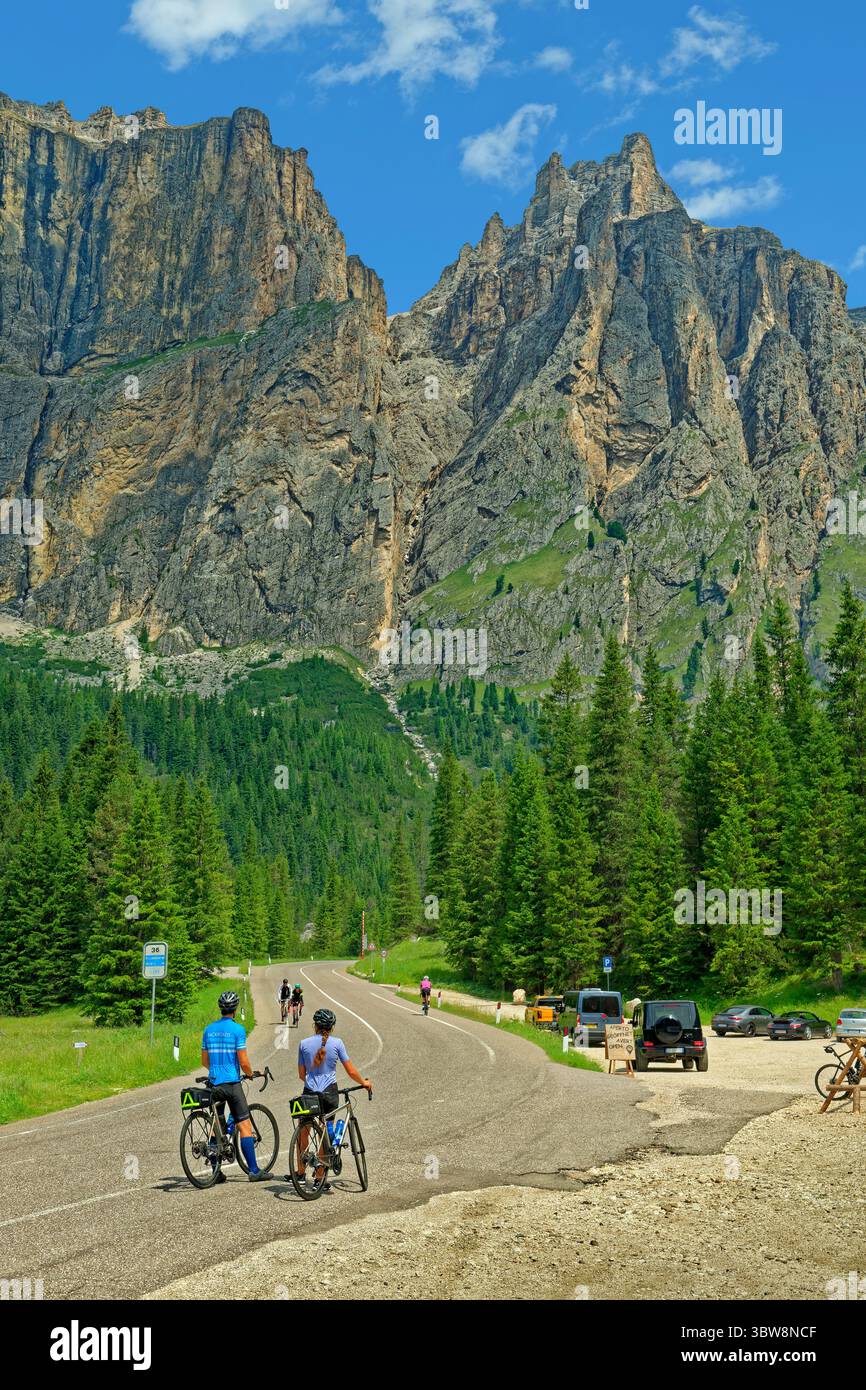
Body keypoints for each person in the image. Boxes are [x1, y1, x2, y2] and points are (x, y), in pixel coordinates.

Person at [285, 1007, 371, 1193]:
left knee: (304, 1130)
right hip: (329, 1093)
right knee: (324, 1132)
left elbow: (302, 1075)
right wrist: (363, 1082)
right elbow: (351, 1070)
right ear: (332, 1027)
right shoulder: (337, 1043)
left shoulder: (303, 1043)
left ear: (315, 1026)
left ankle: (300, 1172)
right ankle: (320, 1178)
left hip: (309, 1092)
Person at [201, 990, 268, 1183]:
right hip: (232, 1083)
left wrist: (216, 1070)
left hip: (214, 1083)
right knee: (244, 1125)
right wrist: (249, 1074)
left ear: (221, 1009)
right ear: (235, 1010)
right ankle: (254, 1171)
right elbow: (244, 1061)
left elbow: (205, 1061)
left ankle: (216, 1172)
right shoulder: (238, 1030)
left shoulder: (208, 1030)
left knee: (217, 1127)